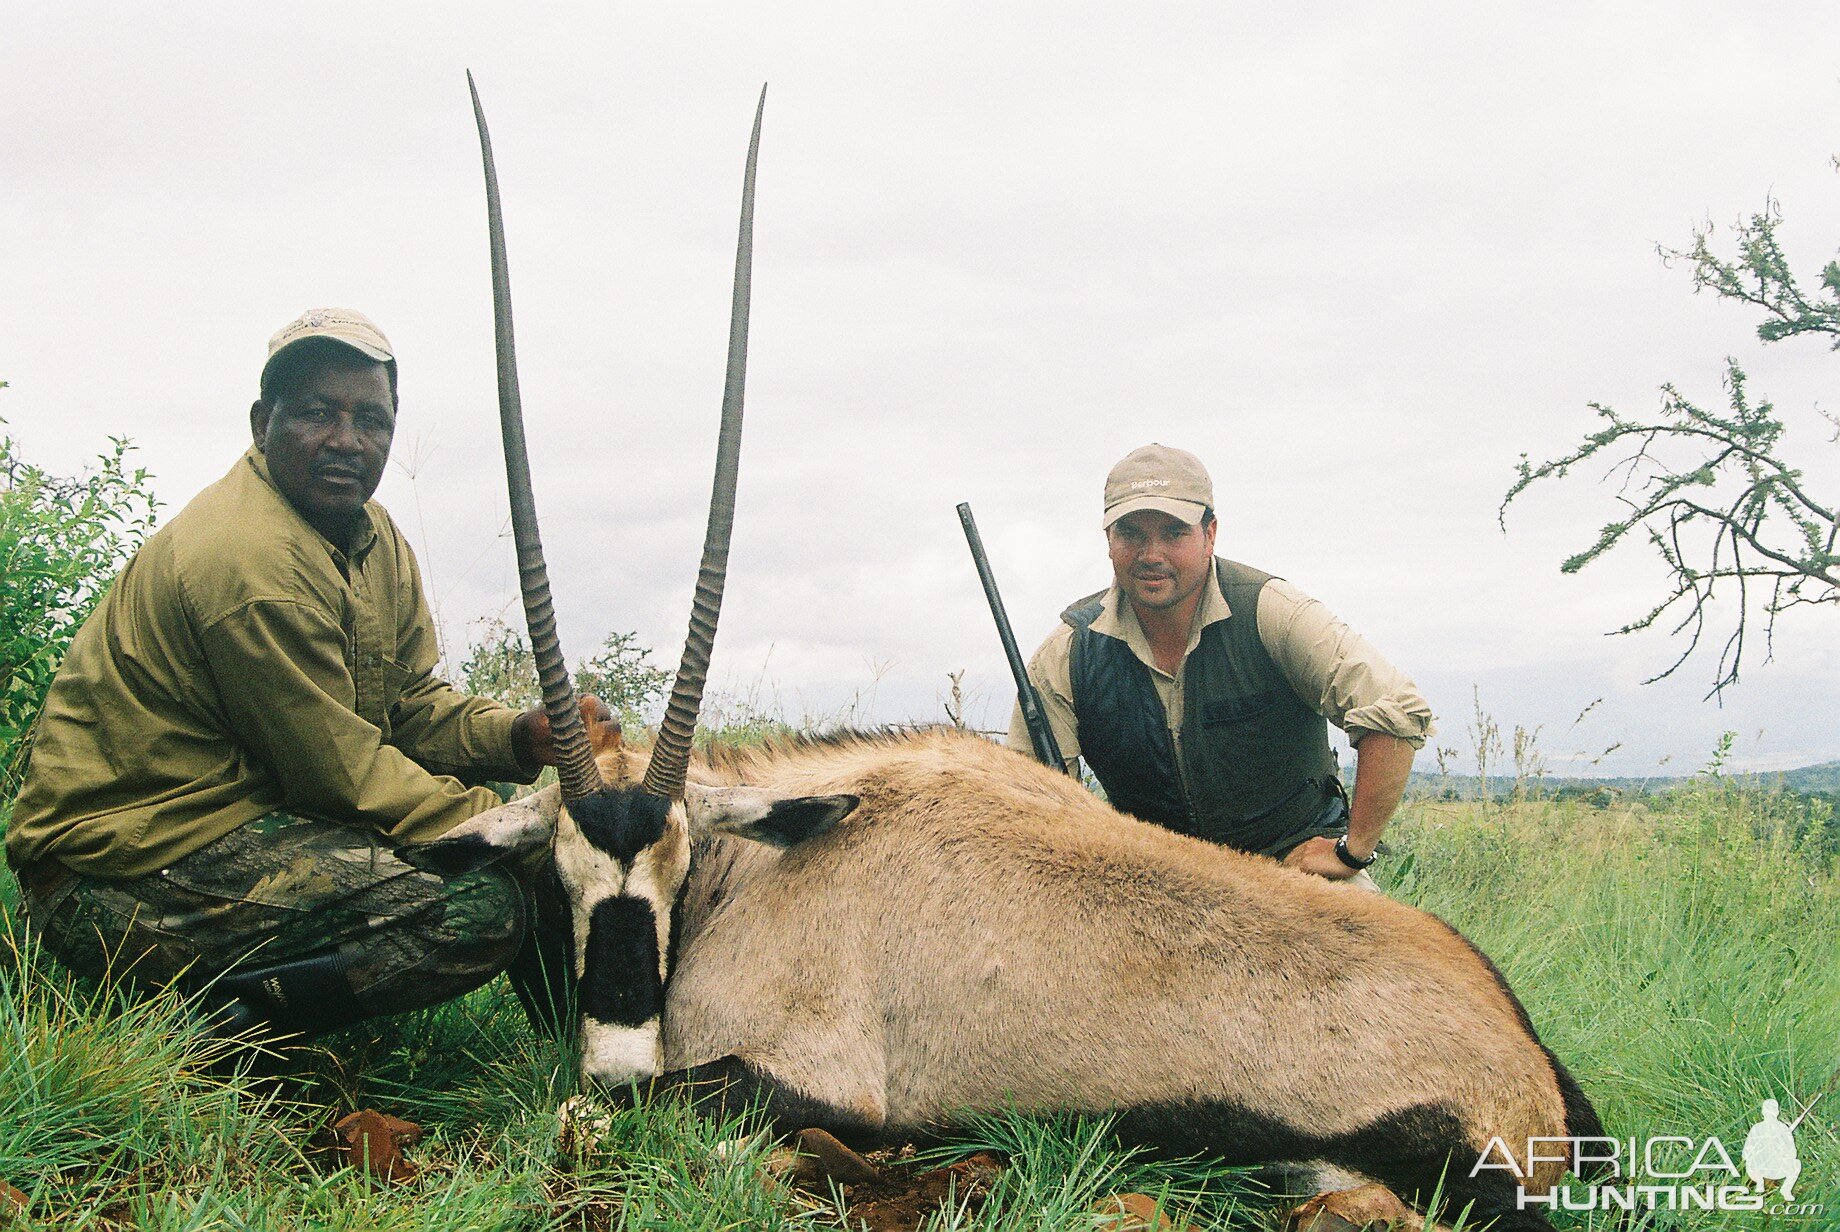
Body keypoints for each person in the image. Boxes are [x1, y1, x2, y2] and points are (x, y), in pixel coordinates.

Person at [5, 308, 589, 1039]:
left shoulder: (370, 534)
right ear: (262, 422)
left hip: (235, 816)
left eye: (371, 420)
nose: (347, 441)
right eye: (318, 414)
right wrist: (531, 827)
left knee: (504, 807)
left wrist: (518, 736)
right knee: (481, 908)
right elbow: (340, 774)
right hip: (115, 873)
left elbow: (403, 704)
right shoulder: (249, 560)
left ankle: (562, 1054)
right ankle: (208, 1032)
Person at [1008, 443, 1434, 887]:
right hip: (1152, 884)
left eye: (1173, 533)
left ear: (1210, 534)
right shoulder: (1068, 653)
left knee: (1365, 952)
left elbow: (1396, 709)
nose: (1151, 554)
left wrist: (1352, 850)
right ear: (1109, 541)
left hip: (1291, 869)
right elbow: (1026, 799)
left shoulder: (1272, 611)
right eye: (1131, 533)